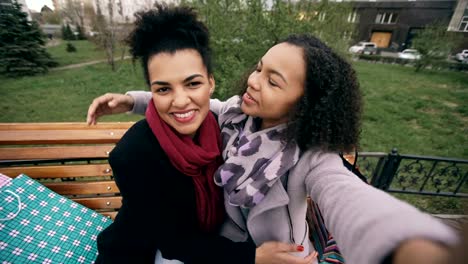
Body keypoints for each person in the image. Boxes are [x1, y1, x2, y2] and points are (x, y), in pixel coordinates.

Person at [88, 33, 459, 264]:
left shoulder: (309, 157)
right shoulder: (238, 116)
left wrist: (406, 243)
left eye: (272, 81)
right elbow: (204, 102)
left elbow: (347, 196)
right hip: (228, 251)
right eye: (259, 68)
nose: (253, 81)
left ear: (303, 104)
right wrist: (131, 100)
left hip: (277, 257)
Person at [94, 4, 315, 264]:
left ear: (211, 82)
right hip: (141, 255)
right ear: (153, 91)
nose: (180, 101)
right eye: (163, 89)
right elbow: (175, 242)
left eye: (192, 84)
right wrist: (251, 257)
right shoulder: (133, 155)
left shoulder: (221, 125)